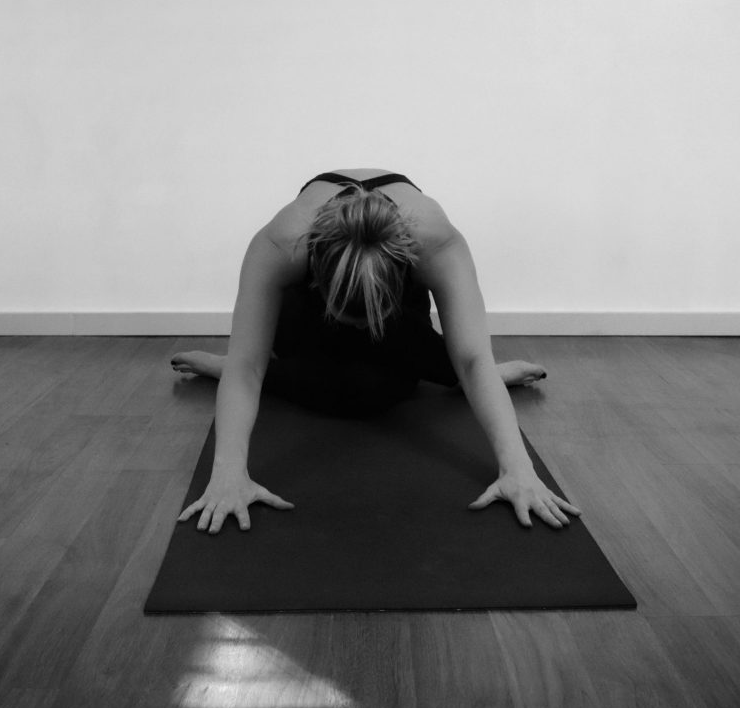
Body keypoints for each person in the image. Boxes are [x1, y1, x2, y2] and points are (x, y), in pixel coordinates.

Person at [172, 168, 582, 535]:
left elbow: (473, 358)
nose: (363, 329)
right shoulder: (282, 246)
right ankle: (234, 366)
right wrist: (228, 475)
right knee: (347, 389)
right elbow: (247, 366)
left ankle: (466, 372)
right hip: (306, 316)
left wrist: (519, 470)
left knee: (383, 388)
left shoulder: (437, 245)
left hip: (395, 307)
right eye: (352, 319)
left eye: (370, 320)